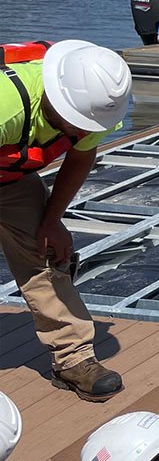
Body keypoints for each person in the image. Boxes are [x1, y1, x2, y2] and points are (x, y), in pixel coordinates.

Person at [1, 39, 132, 401]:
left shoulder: (97, 104)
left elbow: (79, 158)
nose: (78, 130)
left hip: (7, 177)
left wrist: (51, 220)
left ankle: (73, 359)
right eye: (71, 120)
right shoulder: (5, 105)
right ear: (55, 95)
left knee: (43, 254)